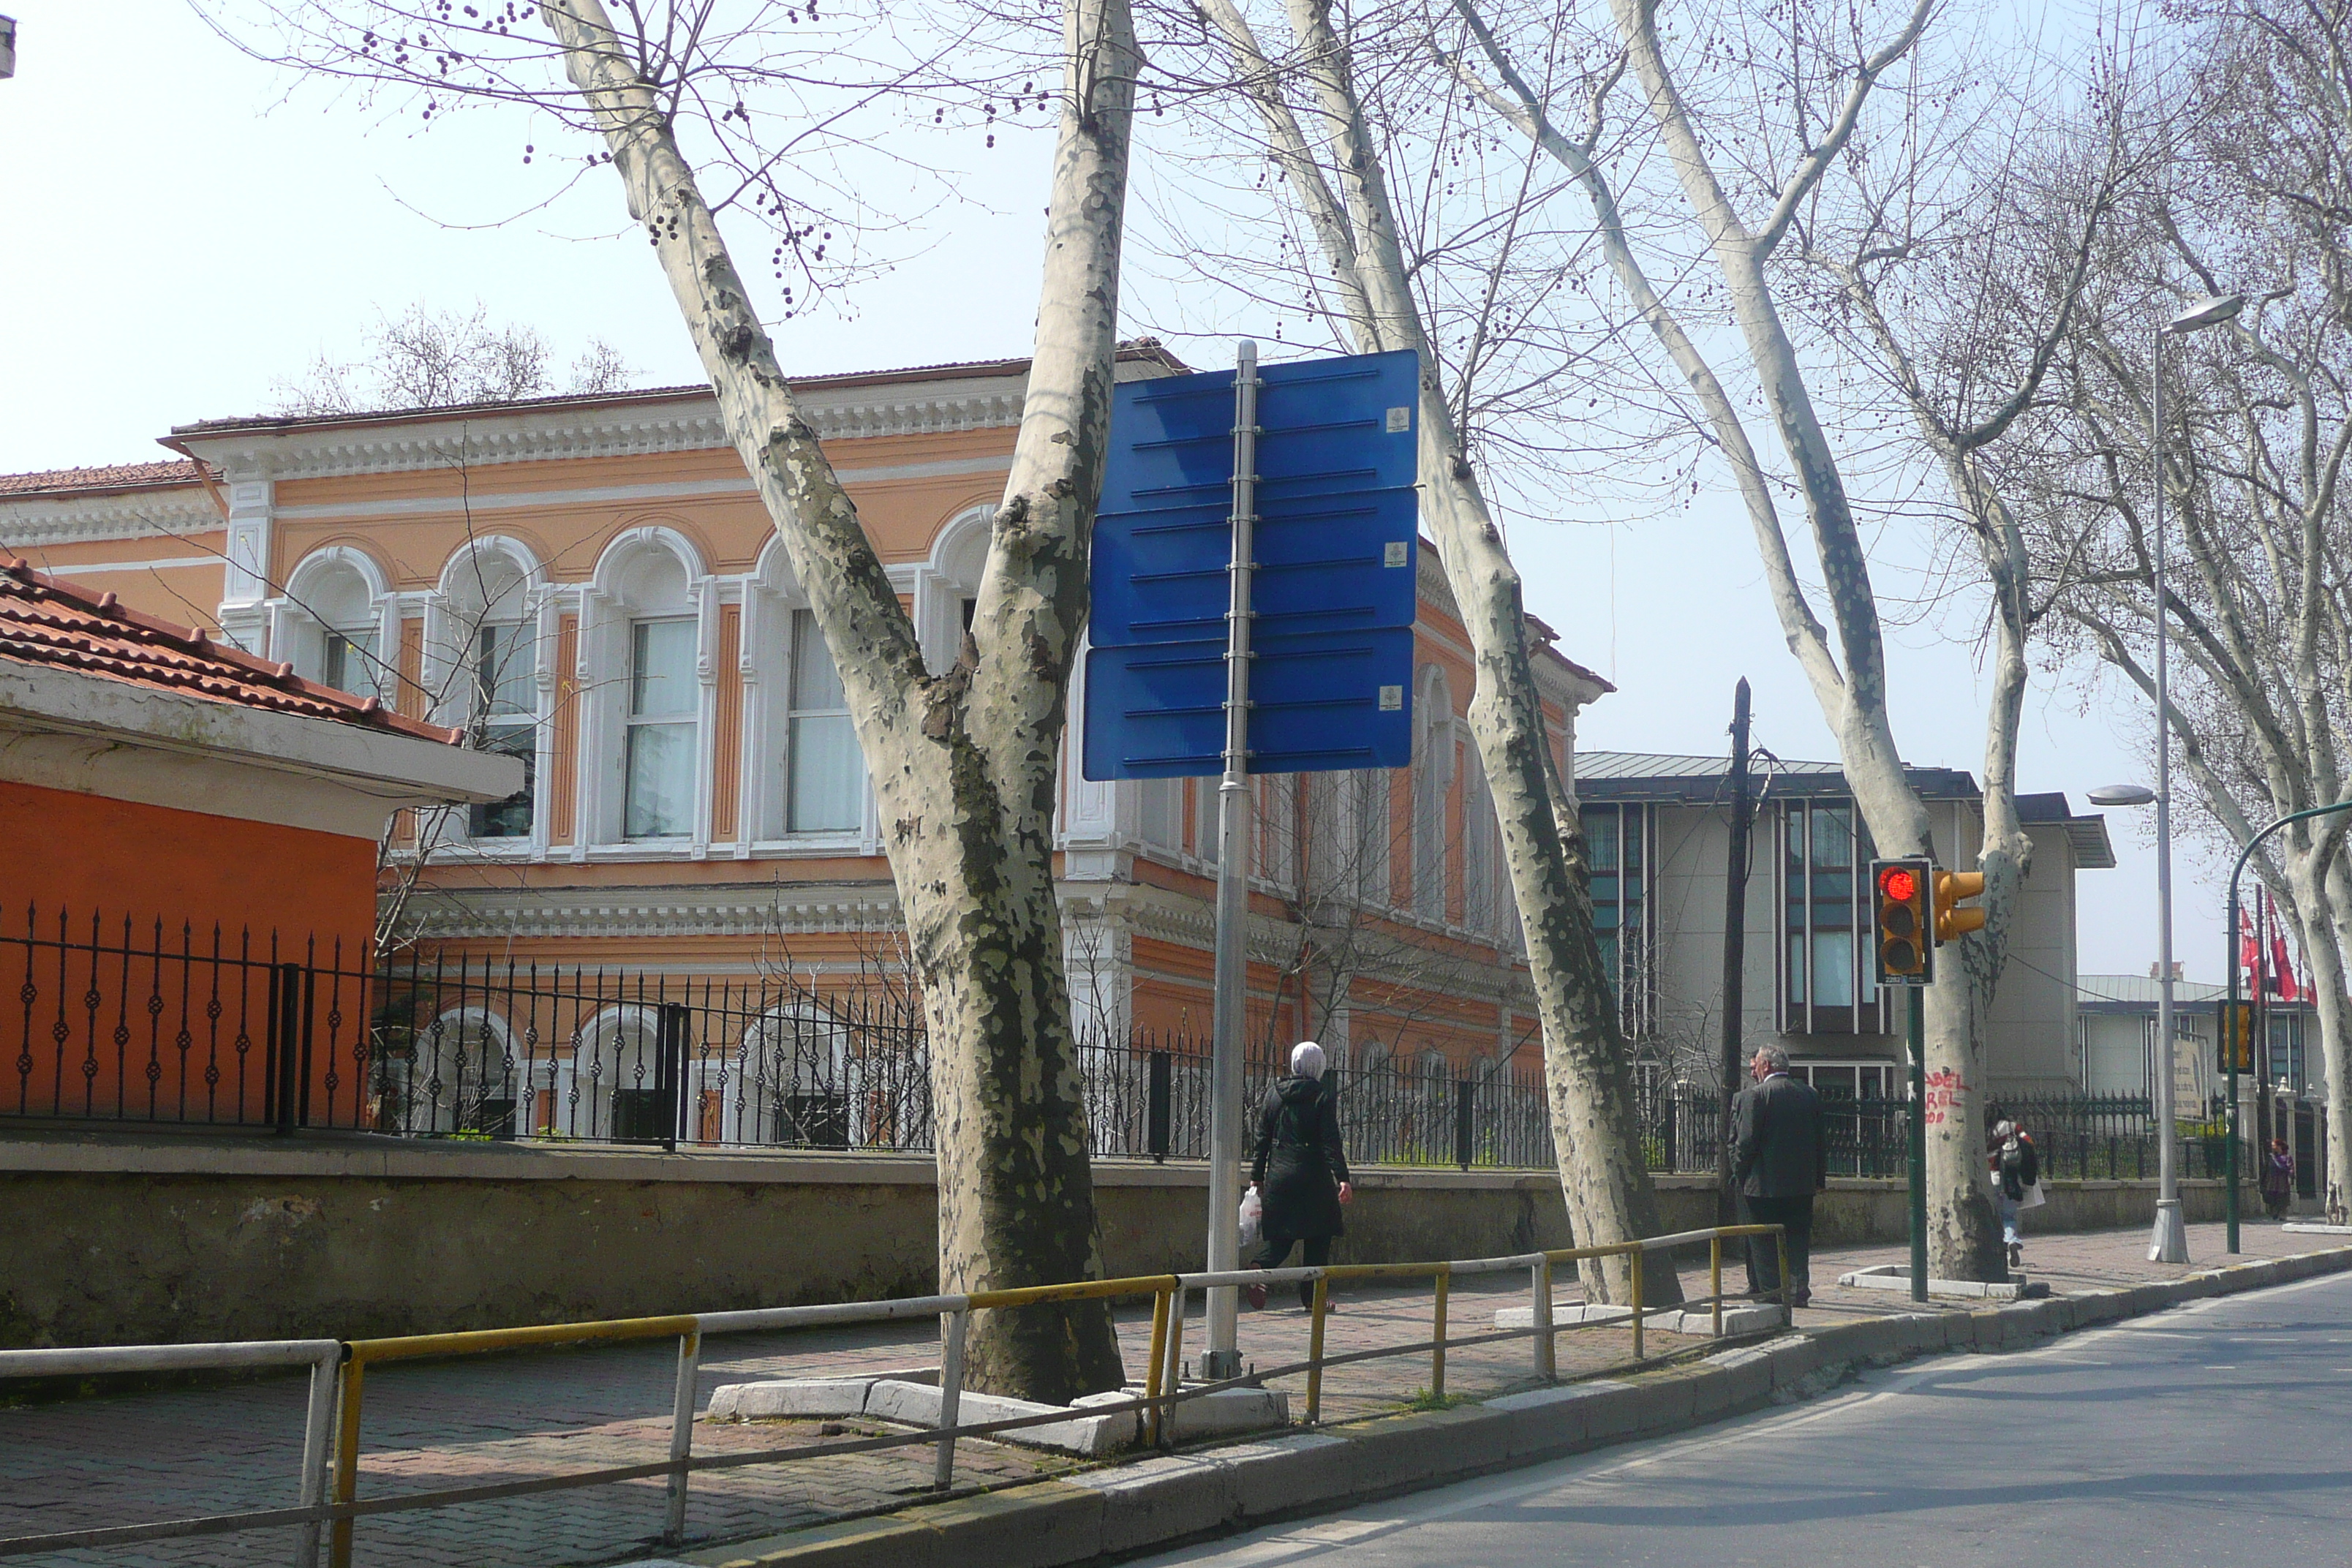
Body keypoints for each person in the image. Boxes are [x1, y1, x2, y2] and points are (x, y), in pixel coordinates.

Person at [1244, 1041, 1354, 1311]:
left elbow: (1261, 1139)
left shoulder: (1274, 1095)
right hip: (1313, 1178)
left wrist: (1257, 1176)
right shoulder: (1320, 1096)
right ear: (1318, 1065)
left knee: (1281, 1239)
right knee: (1318, 1239)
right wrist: (1343, 1178)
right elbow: (1330, 1141)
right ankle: (1312, 1299)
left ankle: (1261, 1266)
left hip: (1279, 1176)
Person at [1733, 1044, 1827, 1307]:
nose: (1755, 1073)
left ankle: (1772, 1295)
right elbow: (1821, 1142)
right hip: (1801, 1186)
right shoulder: (1810, 1095)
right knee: (1798, 1240)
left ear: (1767, 1066)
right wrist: (1819, 1180)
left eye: (1757, 1066)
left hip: (1762, 1187)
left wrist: (1740, 1173)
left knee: (1764, 1244)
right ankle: (1798, 1291)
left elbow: (1745, 1143)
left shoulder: (1756, 1097)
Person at [1989, 1119, 2041, 1270]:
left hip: (1990, 1179)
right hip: (2010, 1180)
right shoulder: (2012, 1126)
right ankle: (2011, 1240)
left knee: (1994, 1217)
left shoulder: (1982, 1128)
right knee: (2009, 1216)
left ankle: (1998, 1254)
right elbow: (2029, 1142)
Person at [2261, 1137, 2296, 1221]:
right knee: (2272, 1198)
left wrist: (2291, 1178)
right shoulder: (2271, 1158)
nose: (2272, 1147)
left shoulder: (2287, 1158)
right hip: (2272, 1182)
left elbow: (2291, 1168)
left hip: (2282, 1183)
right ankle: (2274, 1213)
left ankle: (2282, 1214)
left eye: (2274, 1145)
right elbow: (2266, 1169)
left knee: (2282, 1199)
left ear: (2279, 1146)